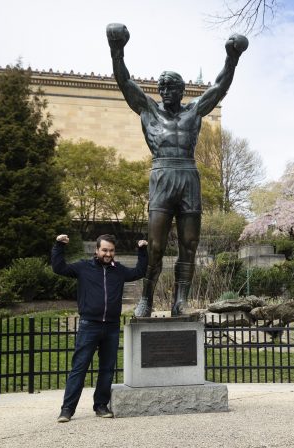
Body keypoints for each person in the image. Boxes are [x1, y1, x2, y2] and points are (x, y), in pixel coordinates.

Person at [105, 23, 248, 317]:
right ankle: (146, 298)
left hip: (188, 176)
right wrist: (117, 51)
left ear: (182, 90)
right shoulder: (148, 109)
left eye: (171, 87)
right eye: (162, 87)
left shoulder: (194, 110)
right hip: (162, 175)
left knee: (190, 244)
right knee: (156, 246)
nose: (165, 91)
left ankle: (180, 300)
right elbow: (125, 83)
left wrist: (231, 59)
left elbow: (219, 87)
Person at [51, 234, 148, 422]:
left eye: (111, 250)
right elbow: (58, 268)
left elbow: (139, 272)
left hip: (111, 327)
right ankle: (67, 409)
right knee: (79, 368)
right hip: (89, 325)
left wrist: (142, 251)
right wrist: (58, 246)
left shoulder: (118, 271)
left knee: (107, 369)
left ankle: (101, 406)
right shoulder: (83, 268)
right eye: (104, 250)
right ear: (97, 250)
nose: (108, 253)